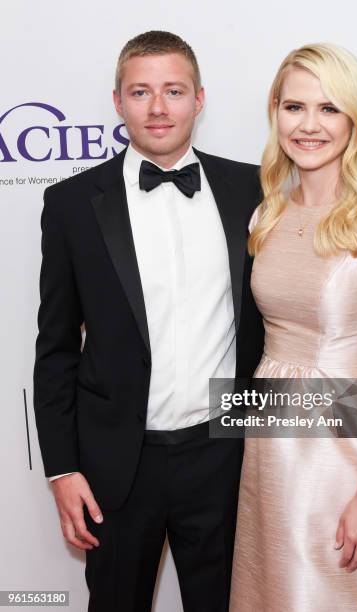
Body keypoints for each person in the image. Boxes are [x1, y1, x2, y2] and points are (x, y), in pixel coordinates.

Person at [33, 30, 265, 612]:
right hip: (116, 469)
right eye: (140, 92)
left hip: (223, 456)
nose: (158, 108)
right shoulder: (70, 205)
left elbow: (289, 303)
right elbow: (56, 348)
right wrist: (61, 470)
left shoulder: (252, 189)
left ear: (200, 99)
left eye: (173, 91)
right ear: (117, 102)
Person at [230, 43, 357, 611]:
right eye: (294, 107)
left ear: (356, 121)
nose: (309, 125)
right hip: (270, 444)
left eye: (329, 109)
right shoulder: (268, 213)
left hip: (345, 450)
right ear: (275, 111)